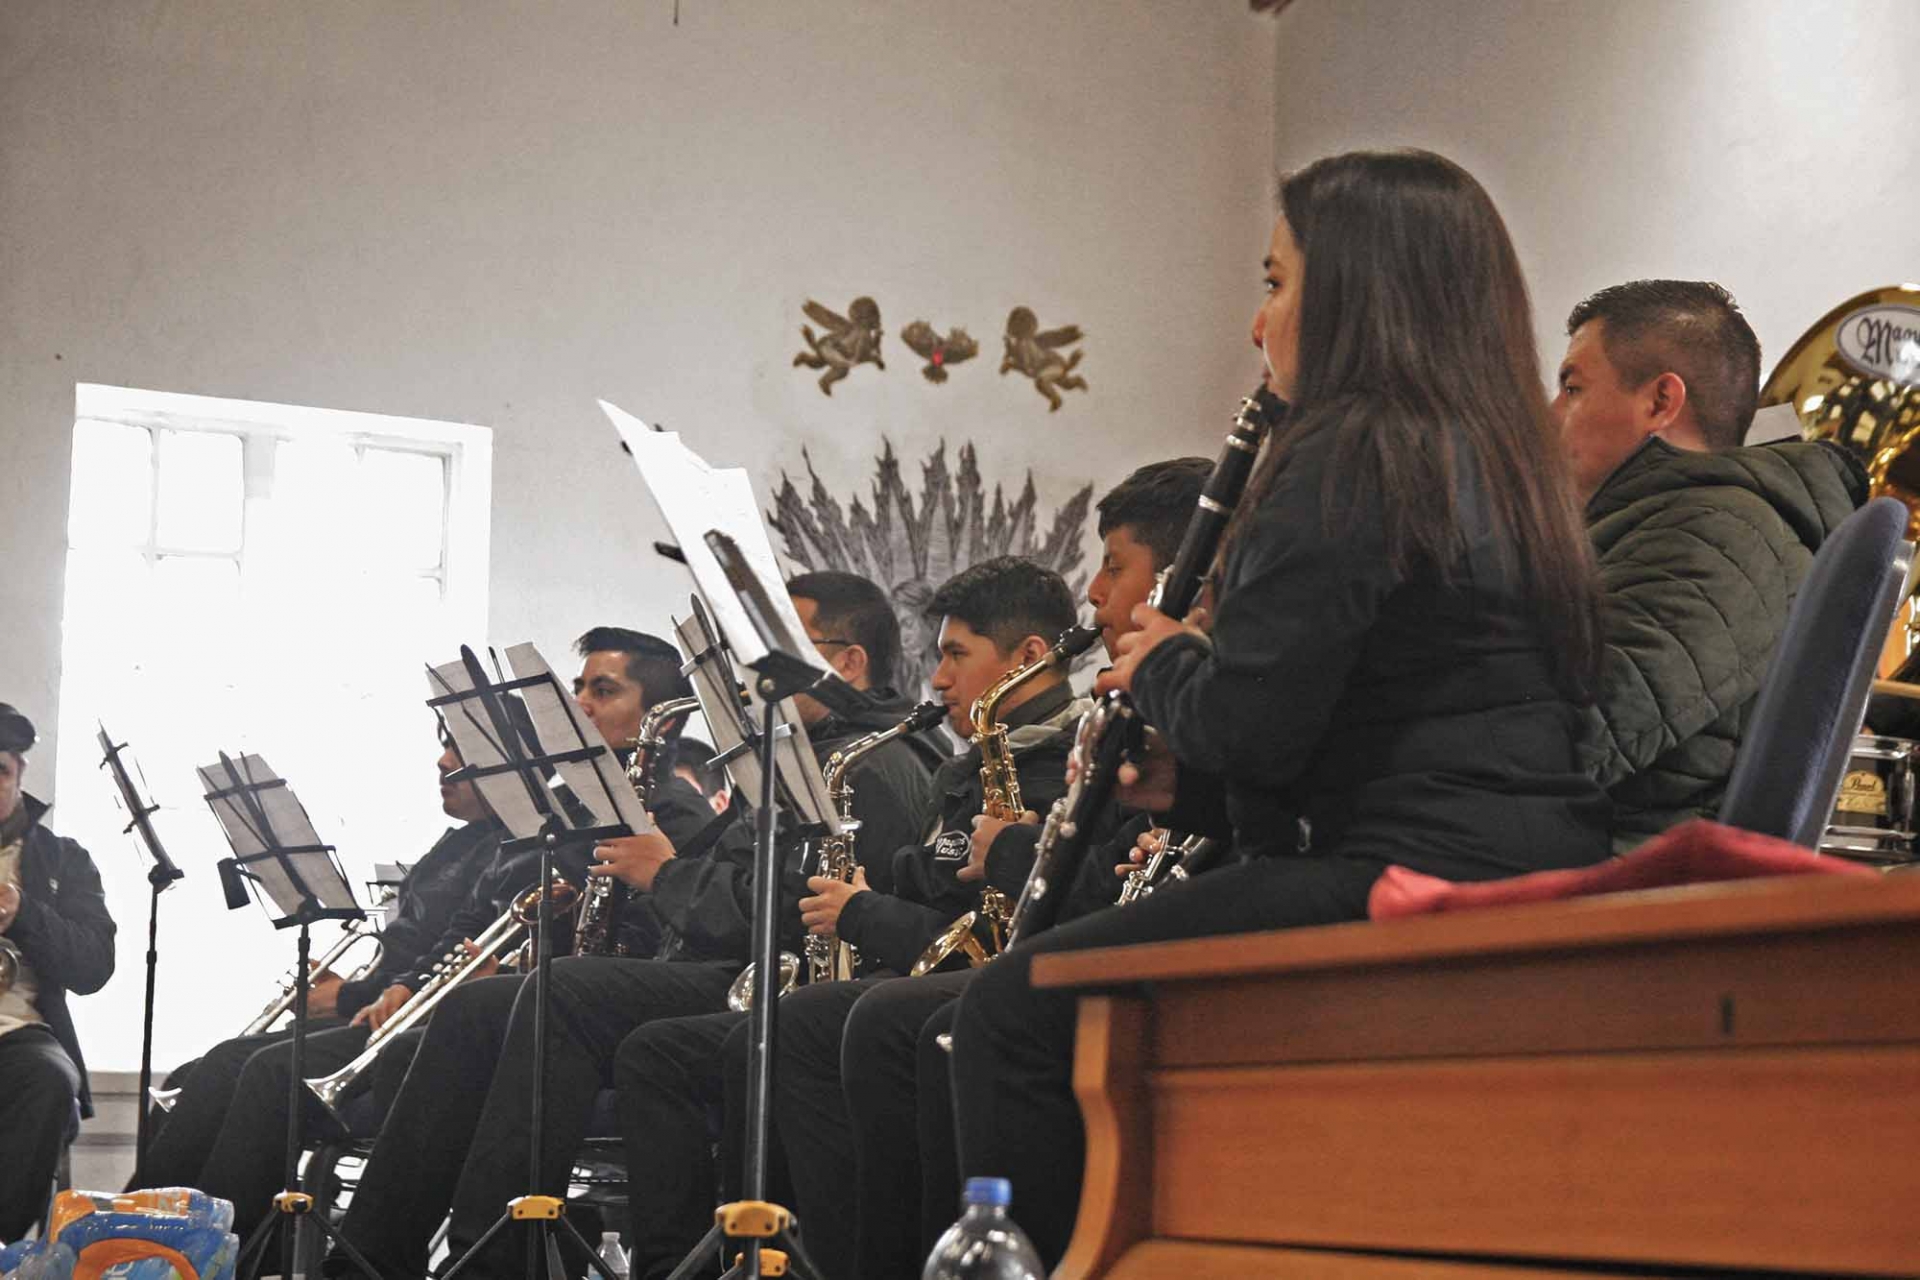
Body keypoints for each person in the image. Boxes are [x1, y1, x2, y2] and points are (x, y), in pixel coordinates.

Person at [950, 148, 1615, 1267]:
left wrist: (1160, 662)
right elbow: (1378, 716)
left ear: (1357, 296)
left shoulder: (1348, 453)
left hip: (1402, 872)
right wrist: (1190, 777)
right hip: (1519, 856)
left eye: (1274, 282)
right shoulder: (1507, 465)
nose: (1259, 325)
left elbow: (1254, 722)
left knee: (1011, 1012)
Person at [834, 458, 1212, 1279]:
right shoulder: (993, 755)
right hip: (1065, 944)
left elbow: (1081, 898)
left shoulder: (1169, 708)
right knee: (864, 1020)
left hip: (1150, 969)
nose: (1097, 596)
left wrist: (1004, 853)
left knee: (941, 1020)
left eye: (1114, 568)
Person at [677, 556, 1082, 1280]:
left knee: (828, 1023)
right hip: (938, 977)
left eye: (957, 655)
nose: (938, 680)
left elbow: (992, 937)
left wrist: (864, 912)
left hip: (1008, 989)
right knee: (784, 1027)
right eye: (938, 656)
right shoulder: (966, 769)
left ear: (1028, 657)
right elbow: (941, 898)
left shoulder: (1059, 766)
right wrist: (881, 893)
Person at [325, 627, 712, 1280]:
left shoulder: (678, 815)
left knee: (468, 1017)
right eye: (579, 688)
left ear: (656, 719)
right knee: (418, 1045)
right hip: (555, 1007)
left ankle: (456, 1260)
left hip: (613, 1024)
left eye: (604, 690)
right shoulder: (567, 813)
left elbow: (663, 949)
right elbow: (497, 913)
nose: (580, 703)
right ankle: (375, 1260)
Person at [135, 731, 505, 1238]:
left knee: (259, 1070)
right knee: (197, 1070)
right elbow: (409, 951)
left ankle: (206, 1252)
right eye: (444, 744)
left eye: (460, 750)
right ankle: (133, 1236)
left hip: (414, 1031)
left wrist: (351, 995)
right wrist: (350, 989)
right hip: (380, 1011)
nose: (443, 762)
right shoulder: (459, 841)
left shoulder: (504, 847)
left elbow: (445, 955)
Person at [1553, 279, 1867, 850]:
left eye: (1572, 387)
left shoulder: (1719, 532)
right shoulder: (1679, 521)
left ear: (1660, 403)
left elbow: (1569, 739)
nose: (1551, 416)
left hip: (1603, 891)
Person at [0, 703, 116, 1242]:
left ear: (21, 776)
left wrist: (23, 912)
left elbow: (93, 966)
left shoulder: (65, 860)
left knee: (50, 1080)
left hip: (19, 1031)